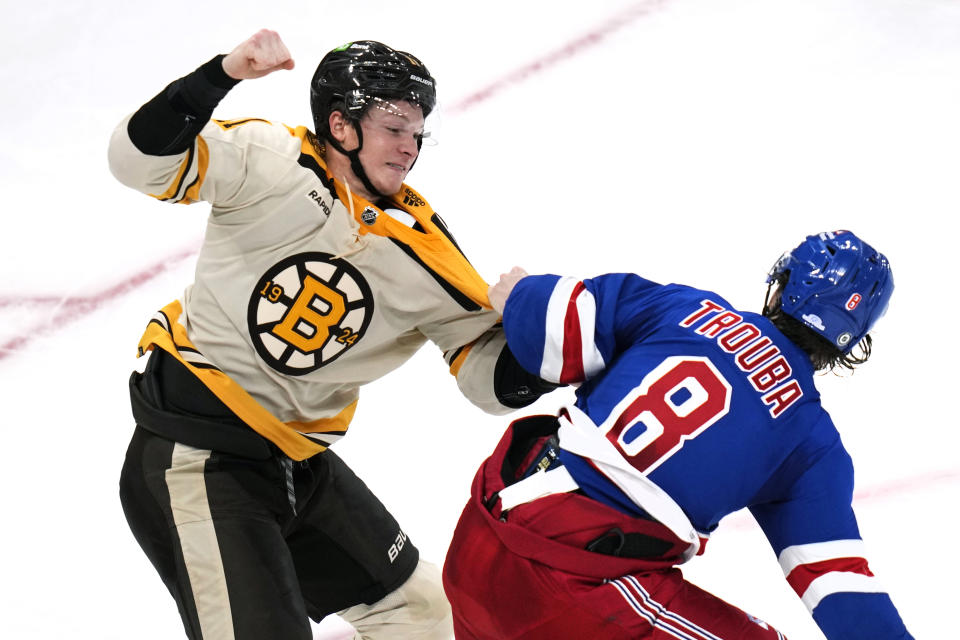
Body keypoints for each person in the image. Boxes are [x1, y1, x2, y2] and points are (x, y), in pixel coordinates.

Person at [108, 30, 556, 640]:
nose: (410, 146)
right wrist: (221, 75)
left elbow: (486, 376)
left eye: (417, 129)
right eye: (394, 126)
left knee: (424, 613)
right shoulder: (269, 161)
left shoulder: (424, 248)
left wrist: (545, 331)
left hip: (298, 465)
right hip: (196, 461)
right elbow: (137, 162)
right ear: (341, 125)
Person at [442, 230, 913, 639]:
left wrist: (524, 294)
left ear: (781, 285)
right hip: (572, 590)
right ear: (854, 339)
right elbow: (842, 594)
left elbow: (553, 336)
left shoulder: (686, 306)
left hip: (478, 539)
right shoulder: (811, 442)